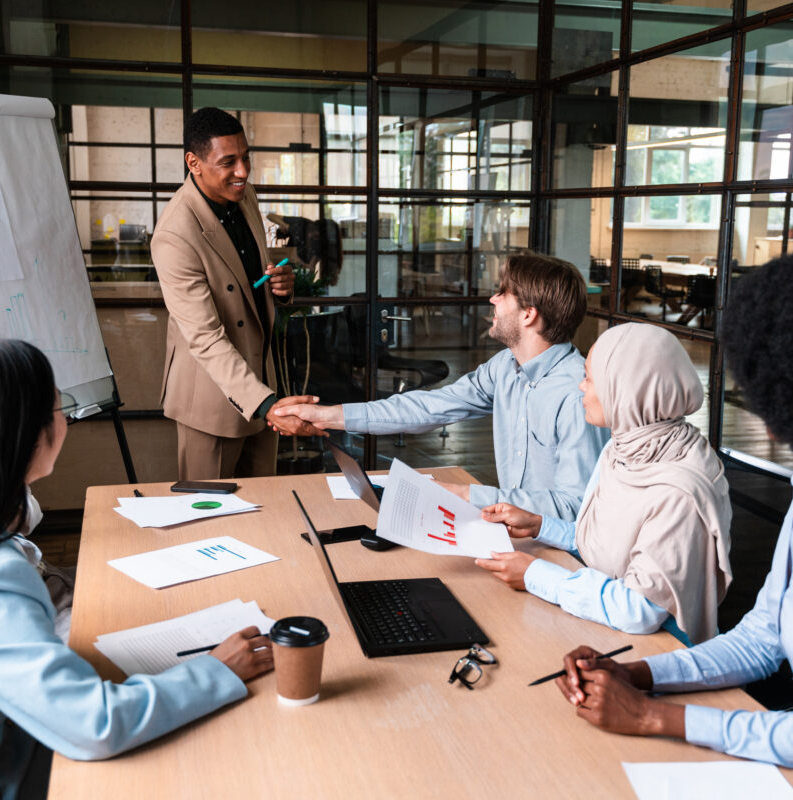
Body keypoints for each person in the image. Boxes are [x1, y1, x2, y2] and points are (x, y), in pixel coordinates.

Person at [0, 339, 274, 800]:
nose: (67, 421)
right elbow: (95, 724)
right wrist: (217, 671)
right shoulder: (1, 574)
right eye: (60, 408)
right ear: (29, 432)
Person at [553, 255, 793, 767]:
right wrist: (638, 676)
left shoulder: (681, 482)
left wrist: (653, 717)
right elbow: (760, 639)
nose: (769, 428)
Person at [275, 252, 609, 519]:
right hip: (515, 534)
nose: (492, 300)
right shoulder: (506, 367)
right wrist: (328, 416)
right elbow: (430, 406)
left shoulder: (576, 394)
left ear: (528, 315)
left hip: (560, 556)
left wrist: (468, 495)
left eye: (503, 293)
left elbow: (575, 508)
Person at [476, 323, 732, 645]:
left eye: (590, 378)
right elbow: (610, 546)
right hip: (605, 629)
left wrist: (535, 575)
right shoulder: (620, 448)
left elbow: (639, 610)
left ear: (625, 389)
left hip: (663, 647)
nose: (580, 387)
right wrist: (540, 525)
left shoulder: (680, 490)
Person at [151, 106, 321, 481]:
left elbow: (246, 280)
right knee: (210, 522)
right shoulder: (174, 235)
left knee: (266, 510)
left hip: (263, 384)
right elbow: (205, 338)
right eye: (228, 162)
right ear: (193, 163)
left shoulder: (245, 195)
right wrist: (266, 405)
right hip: (212, 401)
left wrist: (280, 288)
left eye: (245, 158)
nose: (243, 171)